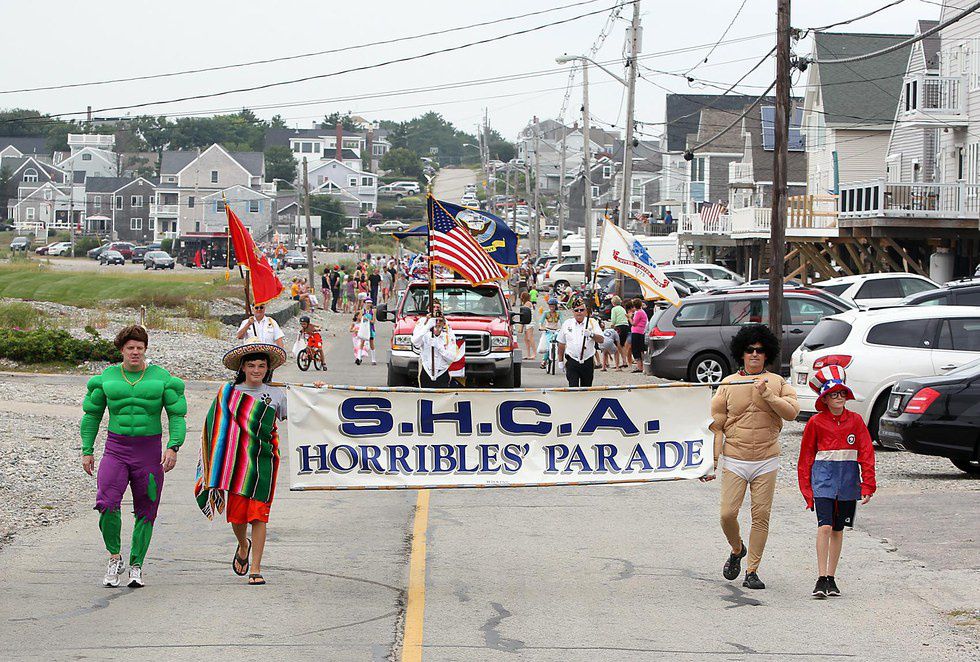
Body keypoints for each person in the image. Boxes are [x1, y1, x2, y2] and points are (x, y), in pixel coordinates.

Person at [194, 341, 323, 586]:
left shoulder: (276, 394)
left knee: (259, 514)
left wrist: (316, 393)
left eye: (261, 366)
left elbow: (301, 414)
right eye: (251, 365)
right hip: (235, 464)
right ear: (242, 367)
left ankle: (256, 568)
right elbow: (215, 427)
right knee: (238, 517)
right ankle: (243, 544)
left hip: (264, 460)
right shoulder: (228, 393)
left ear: (267, 369)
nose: (256, 370)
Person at [81, 325, 187, 588]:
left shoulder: (162, 378)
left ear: (145, 349)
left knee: (146, 510)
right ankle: (114, 557)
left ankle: (137, 564)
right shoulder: (106, 378)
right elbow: (92, 415)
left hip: (148, 452)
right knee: (106, 503)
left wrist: (173, 446)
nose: (136, 352)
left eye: (140, 347)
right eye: (131, 348)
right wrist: (87, 450)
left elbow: (177, 415)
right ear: (122, 350)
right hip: (115, 449)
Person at [702, 324, 800, 590]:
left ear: (767, 354)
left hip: (766, 459)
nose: (754, 354)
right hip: (735, 458)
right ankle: (737, 549)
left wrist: (767, 394)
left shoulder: (778, 382)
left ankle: (752, 570)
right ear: (741, 354)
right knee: (727, 514)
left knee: (761, 515)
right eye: (749, 350)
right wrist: (710, 463)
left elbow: (792, 413)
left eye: (760, 350)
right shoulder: (728, 384)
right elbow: (716, 427)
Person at [798, 366, 876, 599]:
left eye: (842, 393)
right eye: (833, 394)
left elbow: (866, 453)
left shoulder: (856, 421)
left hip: (848, 484)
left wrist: (868, 484)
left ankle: (831, 577)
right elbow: (805, 458)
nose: (839, 398)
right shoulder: (815, 423)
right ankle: (821, 576)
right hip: (823, 482)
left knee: (838, 529)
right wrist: (807, 490)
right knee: (824, 526)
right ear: (825, 399)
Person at [556, 298, 604, 387]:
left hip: (587, 361)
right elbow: (561, 343)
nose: (579, 312)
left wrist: (591, 334)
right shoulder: (567, 324)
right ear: (573, 312)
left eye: (581, 310)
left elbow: (601, 339)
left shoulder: (592, 322)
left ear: (586, 311)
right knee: (573, 387)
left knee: (586, 388)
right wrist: (560, 361)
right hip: (572, 360)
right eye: (576, 310)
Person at [412, 313, 458, 388]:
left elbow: (451, 358)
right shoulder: (425, 335)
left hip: (442, 372)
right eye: (435, 320)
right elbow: (415, 342)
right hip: (426, 372)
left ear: (444, 323)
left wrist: (439, 347)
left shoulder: (448, 337)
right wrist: (427, 326)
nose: (438, 323)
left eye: (440, 321)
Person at [537, 298, 562, 369]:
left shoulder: (559, 313)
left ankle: (558, 358)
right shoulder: (546, 313)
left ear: (555, 306)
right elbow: (541, 322)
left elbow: (562, 321)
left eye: (553, 306)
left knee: (559, 344)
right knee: (548, 346)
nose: (551, 308)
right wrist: (541, 327)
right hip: (548, 331)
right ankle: (544, 360)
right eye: (550, 306)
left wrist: (563, 328)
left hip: (556, 331)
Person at [609, 295, 630, 371]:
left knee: (618, 344)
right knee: (623, 344)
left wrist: (612, 325)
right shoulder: (622, 308)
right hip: (626, 326)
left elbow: (613, 319)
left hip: (619, 327)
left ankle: (620, 362)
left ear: (613, 303)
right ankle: (625, 361)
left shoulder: (614, 309)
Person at [629, 298, 648, 373]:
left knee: (635, 349)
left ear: (634, 306)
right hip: (641, 332)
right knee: (640, 349)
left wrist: (629, 318)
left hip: (636, 332)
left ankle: (639, 366)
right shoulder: (642, 312)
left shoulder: (638, 313)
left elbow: (634, 323)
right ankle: (642, 366)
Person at [519, 292, 534, 360]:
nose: (520, 297)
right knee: (526, 339)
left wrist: (521, 325)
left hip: (529, 322)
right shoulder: (526, 303)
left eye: (521, 296)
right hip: (527, 322)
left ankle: (534, 353)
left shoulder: (527, 303)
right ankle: (528, 354)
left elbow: (524, 314)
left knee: (530, 338)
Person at [363, 298, 378, 366]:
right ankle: (359, 357)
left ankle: (373, 359)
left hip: (370, 328)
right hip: (364, 329)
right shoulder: (362, 311)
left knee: (371, 343)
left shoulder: (373, 311)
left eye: (370, 303)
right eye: (367, 303)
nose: (369, 304)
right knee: (362, 343)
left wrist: (367, 320)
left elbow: (373, 321)